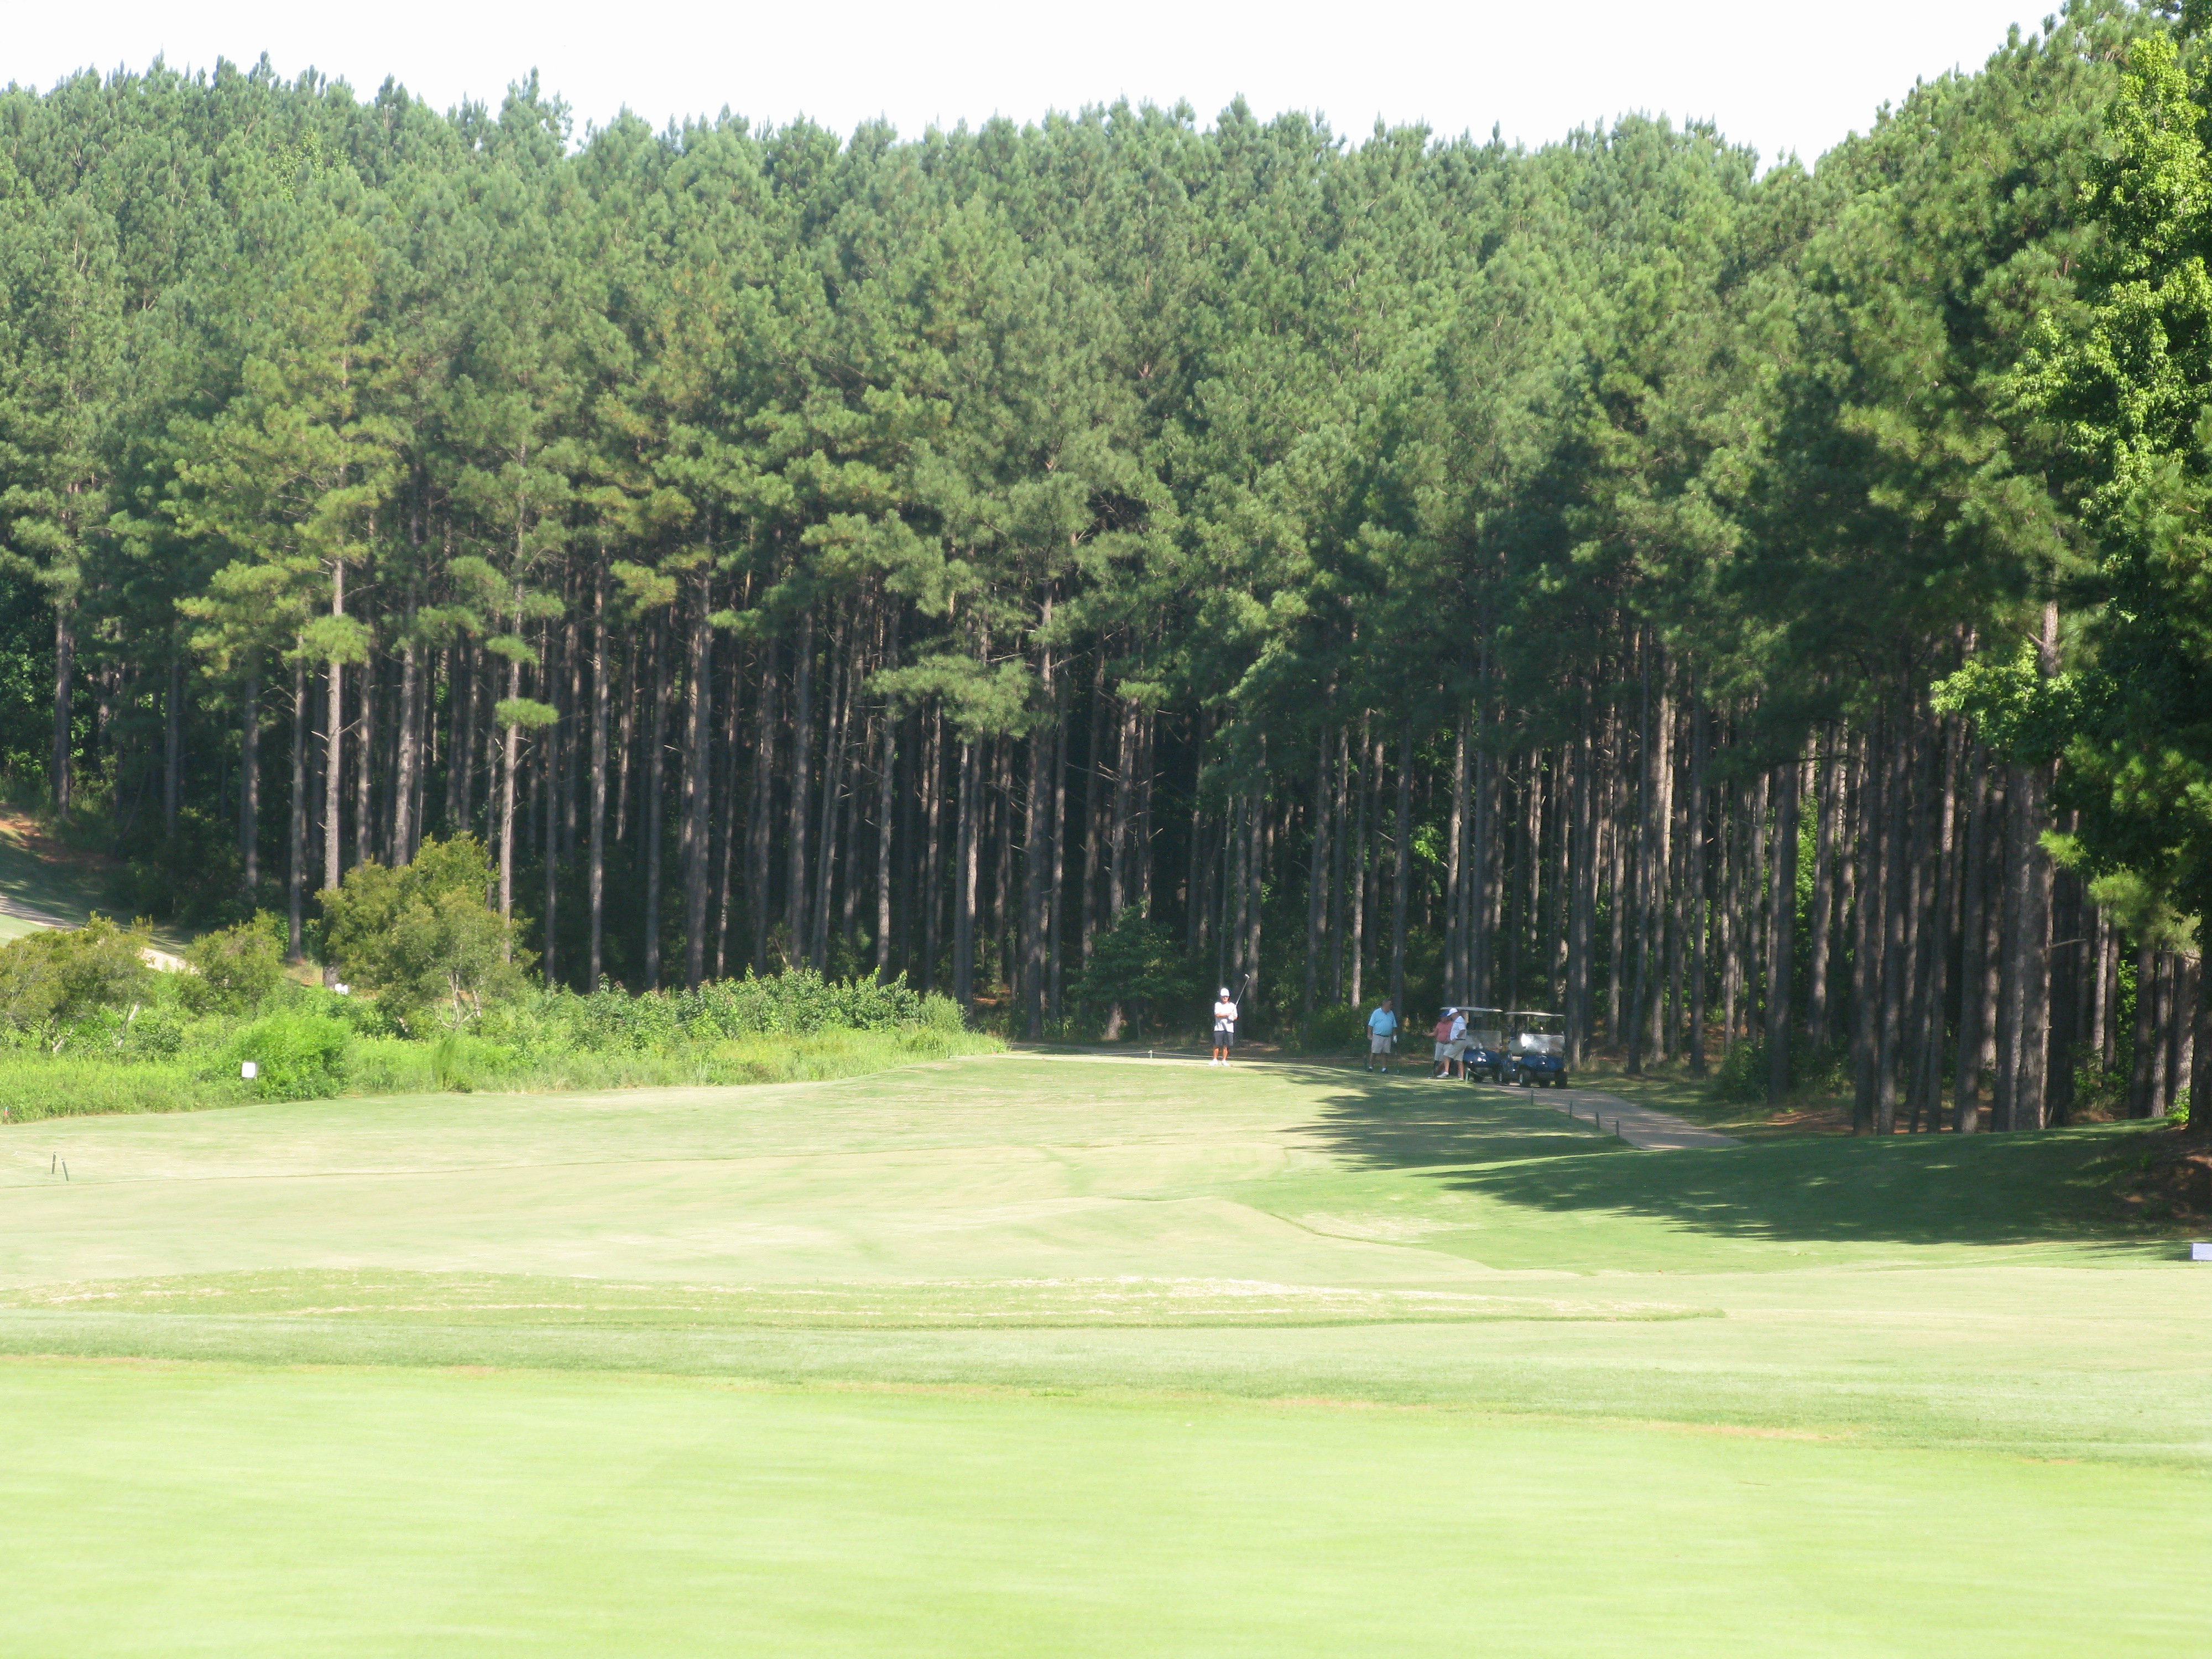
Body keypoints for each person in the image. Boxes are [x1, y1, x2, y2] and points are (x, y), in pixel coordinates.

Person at [1365, 998, 1398, 1072]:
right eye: (1390, 1005)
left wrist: (1395, 1036)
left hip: (1387, 1037)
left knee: (1385, 1053)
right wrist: (1369, 1034)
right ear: (1385, 1005)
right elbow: (1371, 1024)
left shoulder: (1391, 1013)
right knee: (1374, 1052)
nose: (1391, 1006)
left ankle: (1384, 1069)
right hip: (1378, 1035)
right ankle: (1371, 1067)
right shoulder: (1377, 1012)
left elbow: (1394, 1025)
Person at [1211, 987, 1238, 1065]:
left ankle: (1224, 1061)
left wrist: (1232, 1018)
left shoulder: (1233, 1006)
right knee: (1217, 1044)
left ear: (1228, 997)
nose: (1225, 998)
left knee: (1226, 1045)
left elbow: (1236, 1016)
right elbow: (1217, 1015)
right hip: (1219, 1028)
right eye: (1223, 996)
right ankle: (1215, 1060)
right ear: (1221, 997)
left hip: (1229, 1029)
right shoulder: (1218, 1004)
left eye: (1226, 996)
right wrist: (1227, 1015)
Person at [1430, 1008, 1457, 1079]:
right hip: (1440, 1043)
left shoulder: (1452, 1024)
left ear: (1447, 1017)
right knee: (1437, 1058)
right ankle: (1435, 1072)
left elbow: (1455, 1034)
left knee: (1446, 1058)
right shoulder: (1439, 1024)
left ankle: (1445, 1072)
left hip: (1448, 1044)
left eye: (1444, 1017)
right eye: (1441, 1017)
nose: (1442, 1018)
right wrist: (1427, 1034)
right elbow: (1435, 1033)